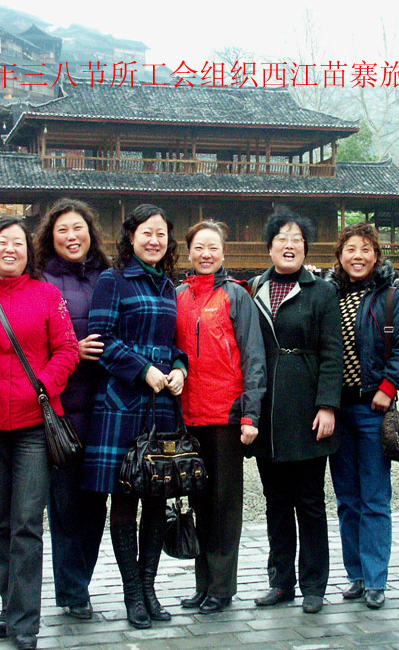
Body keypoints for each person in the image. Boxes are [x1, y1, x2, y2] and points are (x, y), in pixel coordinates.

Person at [0, 217, 79, 650]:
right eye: (2, 242)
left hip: (33, 425)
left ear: (29, 253)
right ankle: (9, 609)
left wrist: (42, 385)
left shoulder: (47, 295)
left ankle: (25, 622)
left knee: (27, 523)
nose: (10, 249)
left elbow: (67, 349)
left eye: (19, 243)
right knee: (2, 523)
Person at [83, 204, 188, 629]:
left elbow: (173, 342)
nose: (154, 240)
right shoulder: (113, 281)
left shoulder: (167, 286)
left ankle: (150, 587)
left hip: (161, 404)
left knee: (157, 497)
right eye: (147, 232)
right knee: (126, 498)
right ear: (131, 237)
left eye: (161, 233)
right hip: (123, 403)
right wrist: (142, 369)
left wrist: (179, 368)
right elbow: (101, 340)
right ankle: (132, 593)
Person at [249, 206, 343, 615]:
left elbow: (333, 353)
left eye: (297, 240)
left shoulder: (321, 291)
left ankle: (315, 584)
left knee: (309, 500)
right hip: (268, 409)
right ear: (269, 247)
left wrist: (328, 405)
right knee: (275, 500)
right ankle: (281, 581)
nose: (289, 246)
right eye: (281, 239)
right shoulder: (255, 288)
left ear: (305, 248)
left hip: (307, 408)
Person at [175, 220, 266, 614]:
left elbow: (253, 356)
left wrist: (251, 414)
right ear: (189, 252)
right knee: (198, 501)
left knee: (224, 504)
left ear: (224, 253)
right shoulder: (178, 296)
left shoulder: (236, 296)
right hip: (188, 415)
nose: (206, 254)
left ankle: (222, 587)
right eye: (199, 247)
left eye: (213, 247)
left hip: (226, 416)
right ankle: (203, 584)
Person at [327, 223, 399, 610]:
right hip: (337, 409)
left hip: (372, 407)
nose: (358, 256)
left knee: (375, 496)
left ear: (377, 256)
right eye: (351, 248)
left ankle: (376, 578)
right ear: (339, 255)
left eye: (366, 249)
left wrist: (388, 386)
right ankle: (357, 575)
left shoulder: (390, 296)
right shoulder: (329, 295)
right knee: (347, 498)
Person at [34, 198, 111, 620]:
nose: (71, 236)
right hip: (61, 410)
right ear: (51, 236)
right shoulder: (40, 279)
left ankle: (80, 581)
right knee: (63, 506)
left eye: (78, 228)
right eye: (62, 229)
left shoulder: (107, 276)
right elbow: (30, 341)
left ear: (90, 232)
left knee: (95, 504)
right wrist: (69, 351)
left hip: (104, 407)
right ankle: (73, 591)